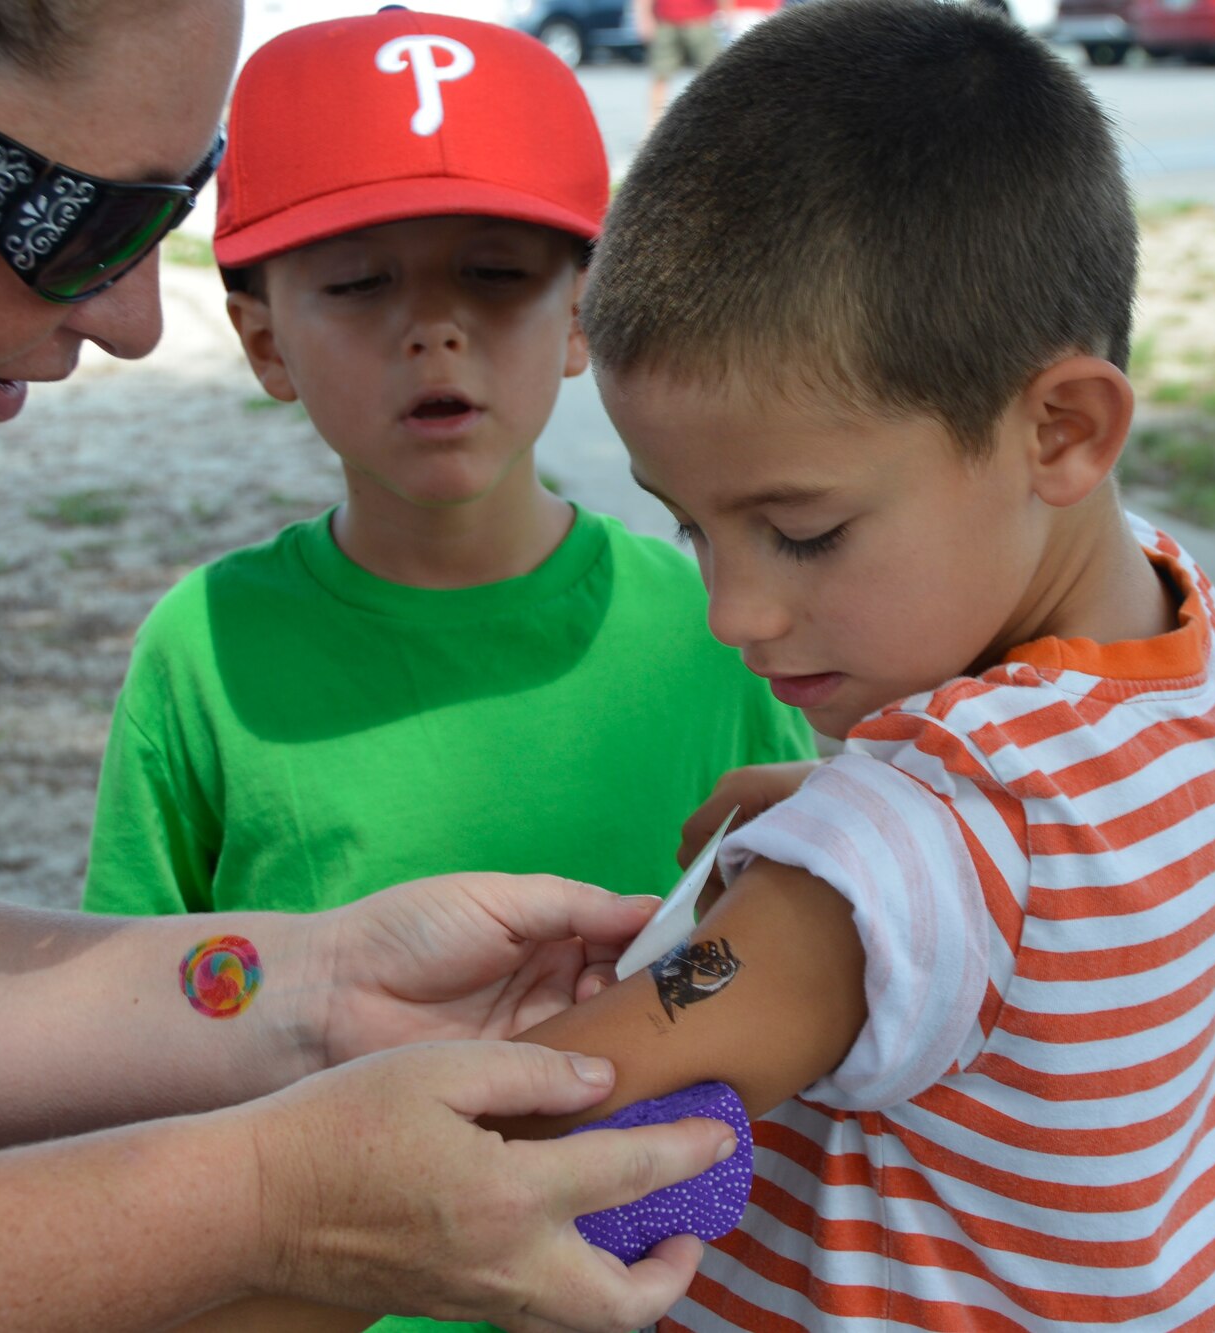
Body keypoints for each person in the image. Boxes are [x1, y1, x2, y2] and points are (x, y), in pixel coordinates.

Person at [0, 2, 737, 1329]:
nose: (131, 322)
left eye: (162, 215)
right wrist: (262, 1205)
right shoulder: (203, 643)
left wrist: (316, 987)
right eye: (76, 219)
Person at [479, 1, 1215, 1327]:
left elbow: (526, 1126)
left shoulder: (918, 840)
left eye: (801, 531)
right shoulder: (1178, 615)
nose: (735, 611)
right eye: (689, 524)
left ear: (1062, 428)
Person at [80, 16, 815, 1329]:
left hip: (662, 1292)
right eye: (359, 284)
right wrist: (257, 983)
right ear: (260, 338)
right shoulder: (204, 651)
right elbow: (154, 997)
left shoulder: (719, 623)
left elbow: (797, 953)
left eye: (495, 274)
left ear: (584, 314)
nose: (435, 330)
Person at [631, 0, 729, 131]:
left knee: (713, 76)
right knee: (660, 75)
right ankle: (653, 126)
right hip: (667, 21)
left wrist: (727, 14)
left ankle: (714, 124)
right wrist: (643, 17)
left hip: (701, 21)